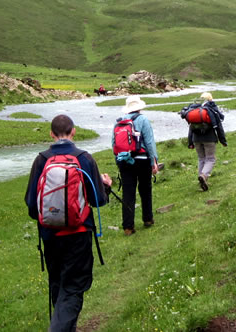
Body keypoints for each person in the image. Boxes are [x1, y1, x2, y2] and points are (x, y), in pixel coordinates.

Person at [24, 114, 112, 332]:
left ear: (51, 134)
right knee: (72, 288)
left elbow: (31, 206)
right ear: (74, 132)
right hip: (78, 234)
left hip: (49, 235)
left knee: (58, 284)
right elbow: (98, 200)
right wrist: (106, 185)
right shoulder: (84, 158)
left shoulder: (41, 160)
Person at [113, 96, 159, 235]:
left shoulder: (119, 122)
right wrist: (154, 161)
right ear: (139, 107)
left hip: (125, 161)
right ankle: (148, 219)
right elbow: (150, 142)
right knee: (145, 188)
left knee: (128, 192)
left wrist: (118, 161)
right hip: (142, 159)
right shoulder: (143, 120)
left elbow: (113, 144)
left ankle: (128, 226)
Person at [186, 92, 227, 191]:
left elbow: (190, 128)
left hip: (196, 139)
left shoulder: (195, 110)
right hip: (209, 138)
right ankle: (204, 176)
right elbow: (218, 127)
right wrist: (223, 140)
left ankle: (202, 179)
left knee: (201, 159)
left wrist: (190, 142)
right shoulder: (211, 110)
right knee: (210, 159)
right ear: (210, 99)